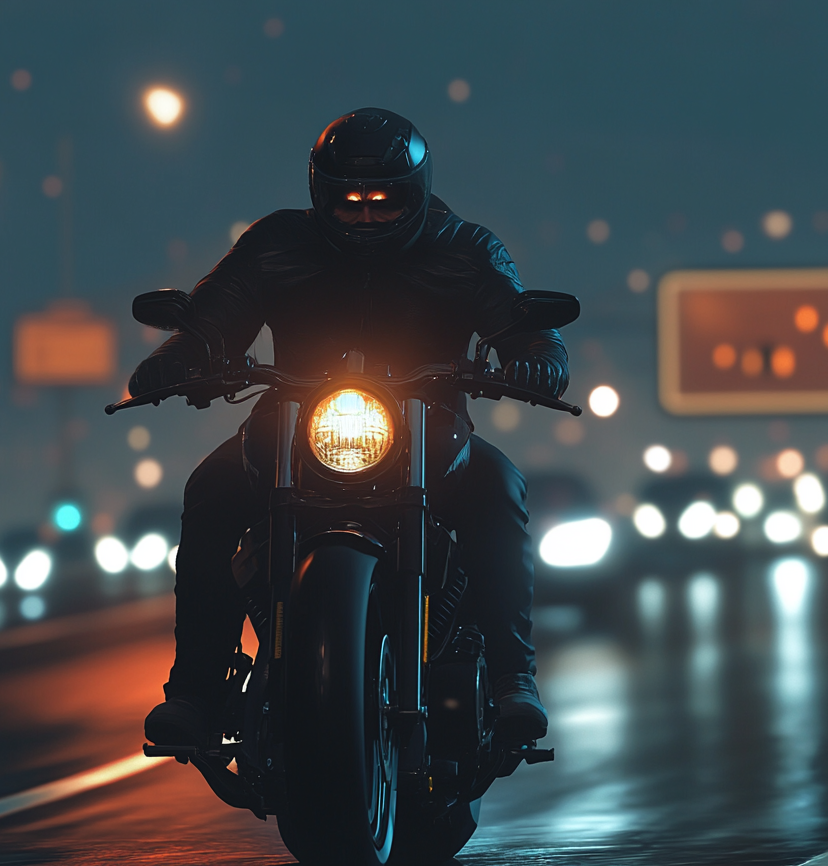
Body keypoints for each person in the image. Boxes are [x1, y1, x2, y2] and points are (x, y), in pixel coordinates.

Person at [134, 108, 569, 750]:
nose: (367, 216)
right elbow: (212, 316)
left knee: (499, 486)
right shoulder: (275, 243)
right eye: (350, 204)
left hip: (432, 430)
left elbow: (525, 322)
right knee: (209, 490)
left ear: (416, 194)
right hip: (288, 427)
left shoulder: (466, 248)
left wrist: (538, 359)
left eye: (385, 203)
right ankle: (197, 688)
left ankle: (512, 679)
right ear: (321, 194)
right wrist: (178, 357)